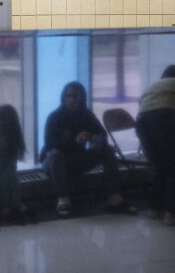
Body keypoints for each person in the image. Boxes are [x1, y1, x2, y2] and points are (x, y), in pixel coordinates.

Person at [41, 81, 137, 218]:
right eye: (69, 96)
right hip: (53, 162)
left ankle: (114, 196)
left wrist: (94, 140)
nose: (72, 100)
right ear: (64, 98)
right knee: (57, 156)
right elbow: (50, 144)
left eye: (76, 97)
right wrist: (74, 141)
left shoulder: (85, 115)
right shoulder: (55, 117)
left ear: (82, 99)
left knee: (108, 151)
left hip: (77, 158)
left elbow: (101, 133)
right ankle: (63, 199)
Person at [136, 65, 175, 225]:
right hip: (164, 118)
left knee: (159, 166)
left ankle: (154, 208)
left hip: (142, 122)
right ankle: (171, 212)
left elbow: (141, 104)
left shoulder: (153, 86)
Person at [0, 104, 32, 224]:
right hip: (11, 175)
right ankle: (23, 212)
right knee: (13, 200)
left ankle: (8, 215)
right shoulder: (15, 138)